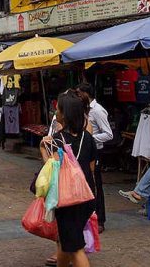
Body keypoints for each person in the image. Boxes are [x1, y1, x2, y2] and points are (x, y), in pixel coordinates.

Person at [40, 91, 97, 267]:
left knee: (75, 248)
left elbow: (51, 172)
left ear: (65, 114)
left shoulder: (56, 140)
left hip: (68, 200)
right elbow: (91, 168)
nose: (55, 112)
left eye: (58, 109)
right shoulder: (88, 138)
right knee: (64, 241)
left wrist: (43, 149)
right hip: (86, 196)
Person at [75, 82, 112, 232]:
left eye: (79, 93)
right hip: (85, 151)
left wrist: (90, 139)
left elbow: (108, 134)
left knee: (96, 184)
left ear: (86, 94)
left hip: (95, 151)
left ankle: (100, 219)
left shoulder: (97, 110)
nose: (78, 96)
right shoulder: (83, 110)